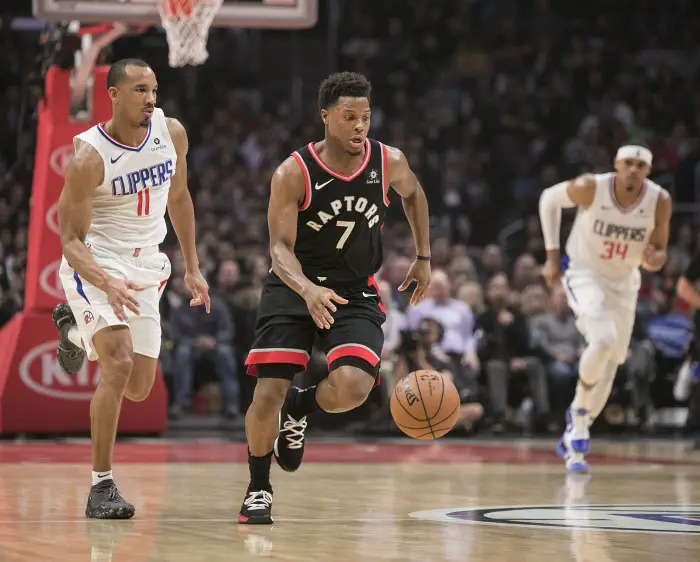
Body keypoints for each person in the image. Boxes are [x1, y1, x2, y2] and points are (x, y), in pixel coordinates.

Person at [239, 72, 431, 524]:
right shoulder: (293, 172)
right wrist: (307, 290)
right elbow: (279, 249)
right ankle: (258, 487)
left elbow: (415, 195)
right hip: (295, 285)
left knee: (353, 388)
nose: (359, 126)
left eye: (365, 116)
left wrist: (424, 255)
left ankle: (302, 406)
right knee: (267, 392)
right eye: (349, 117)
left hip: (354, 289)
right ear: (325, 117)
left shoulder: (389, 161)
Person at [53, 59, 210, 518]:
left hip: (147, 267)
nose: (150, 98)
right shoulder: (88, 158)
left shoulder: (172, 132)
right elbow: (69, 242)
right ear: (114, 94)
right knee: (118, 363)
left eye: (154, 89)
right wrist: (105, 281)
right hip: (98, 264)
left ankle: (74, 334)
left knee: (140, 388)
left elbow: (179, 199)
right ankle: (101, 486)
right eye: (139, 89)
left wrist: (193, 267)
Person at [539, 142, 672, 472]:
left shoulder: (660, 200)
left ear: (648, 171)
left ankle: (576, 421)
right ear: (616, 164)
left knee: (612, 362)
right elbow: (549, 200)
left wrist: (655, 259)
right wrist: (552, 256)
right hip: (584, 272)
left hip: (624, 281)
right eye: (627, 163)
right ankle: (580, 423)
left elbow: (658, 252)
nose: (632, 170)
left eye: (639, 166)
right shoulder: (591, 187)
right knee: (603, 340)